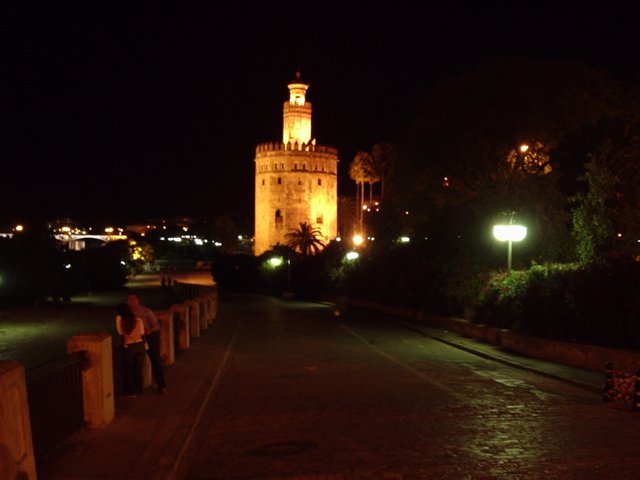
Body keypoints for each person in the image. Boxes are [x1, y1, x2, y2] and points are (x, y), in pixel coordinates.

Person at [127, 293, 168, 394]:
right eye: (130, 299)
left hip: (150, 338)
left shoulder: (146, 311)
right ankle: (137, 388)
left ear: (138, 300)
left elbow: (156, 325)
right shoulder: (127, 313)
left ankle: (162, 386)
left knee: (155, 361)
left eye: (134, 299)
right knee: (136, 364)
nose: (132, 301)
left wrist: (150, 330)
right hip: (136, 340)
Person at [115, 303, 146, 397]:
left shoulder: (119, 319)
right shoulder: (138, 319)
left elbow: (120, 332)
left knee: (129, 370)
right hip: (140, 345)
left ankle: (132, 392)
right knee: (138, 369)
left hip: (129, 347)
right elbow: (142, 332)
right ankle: (140, 390)